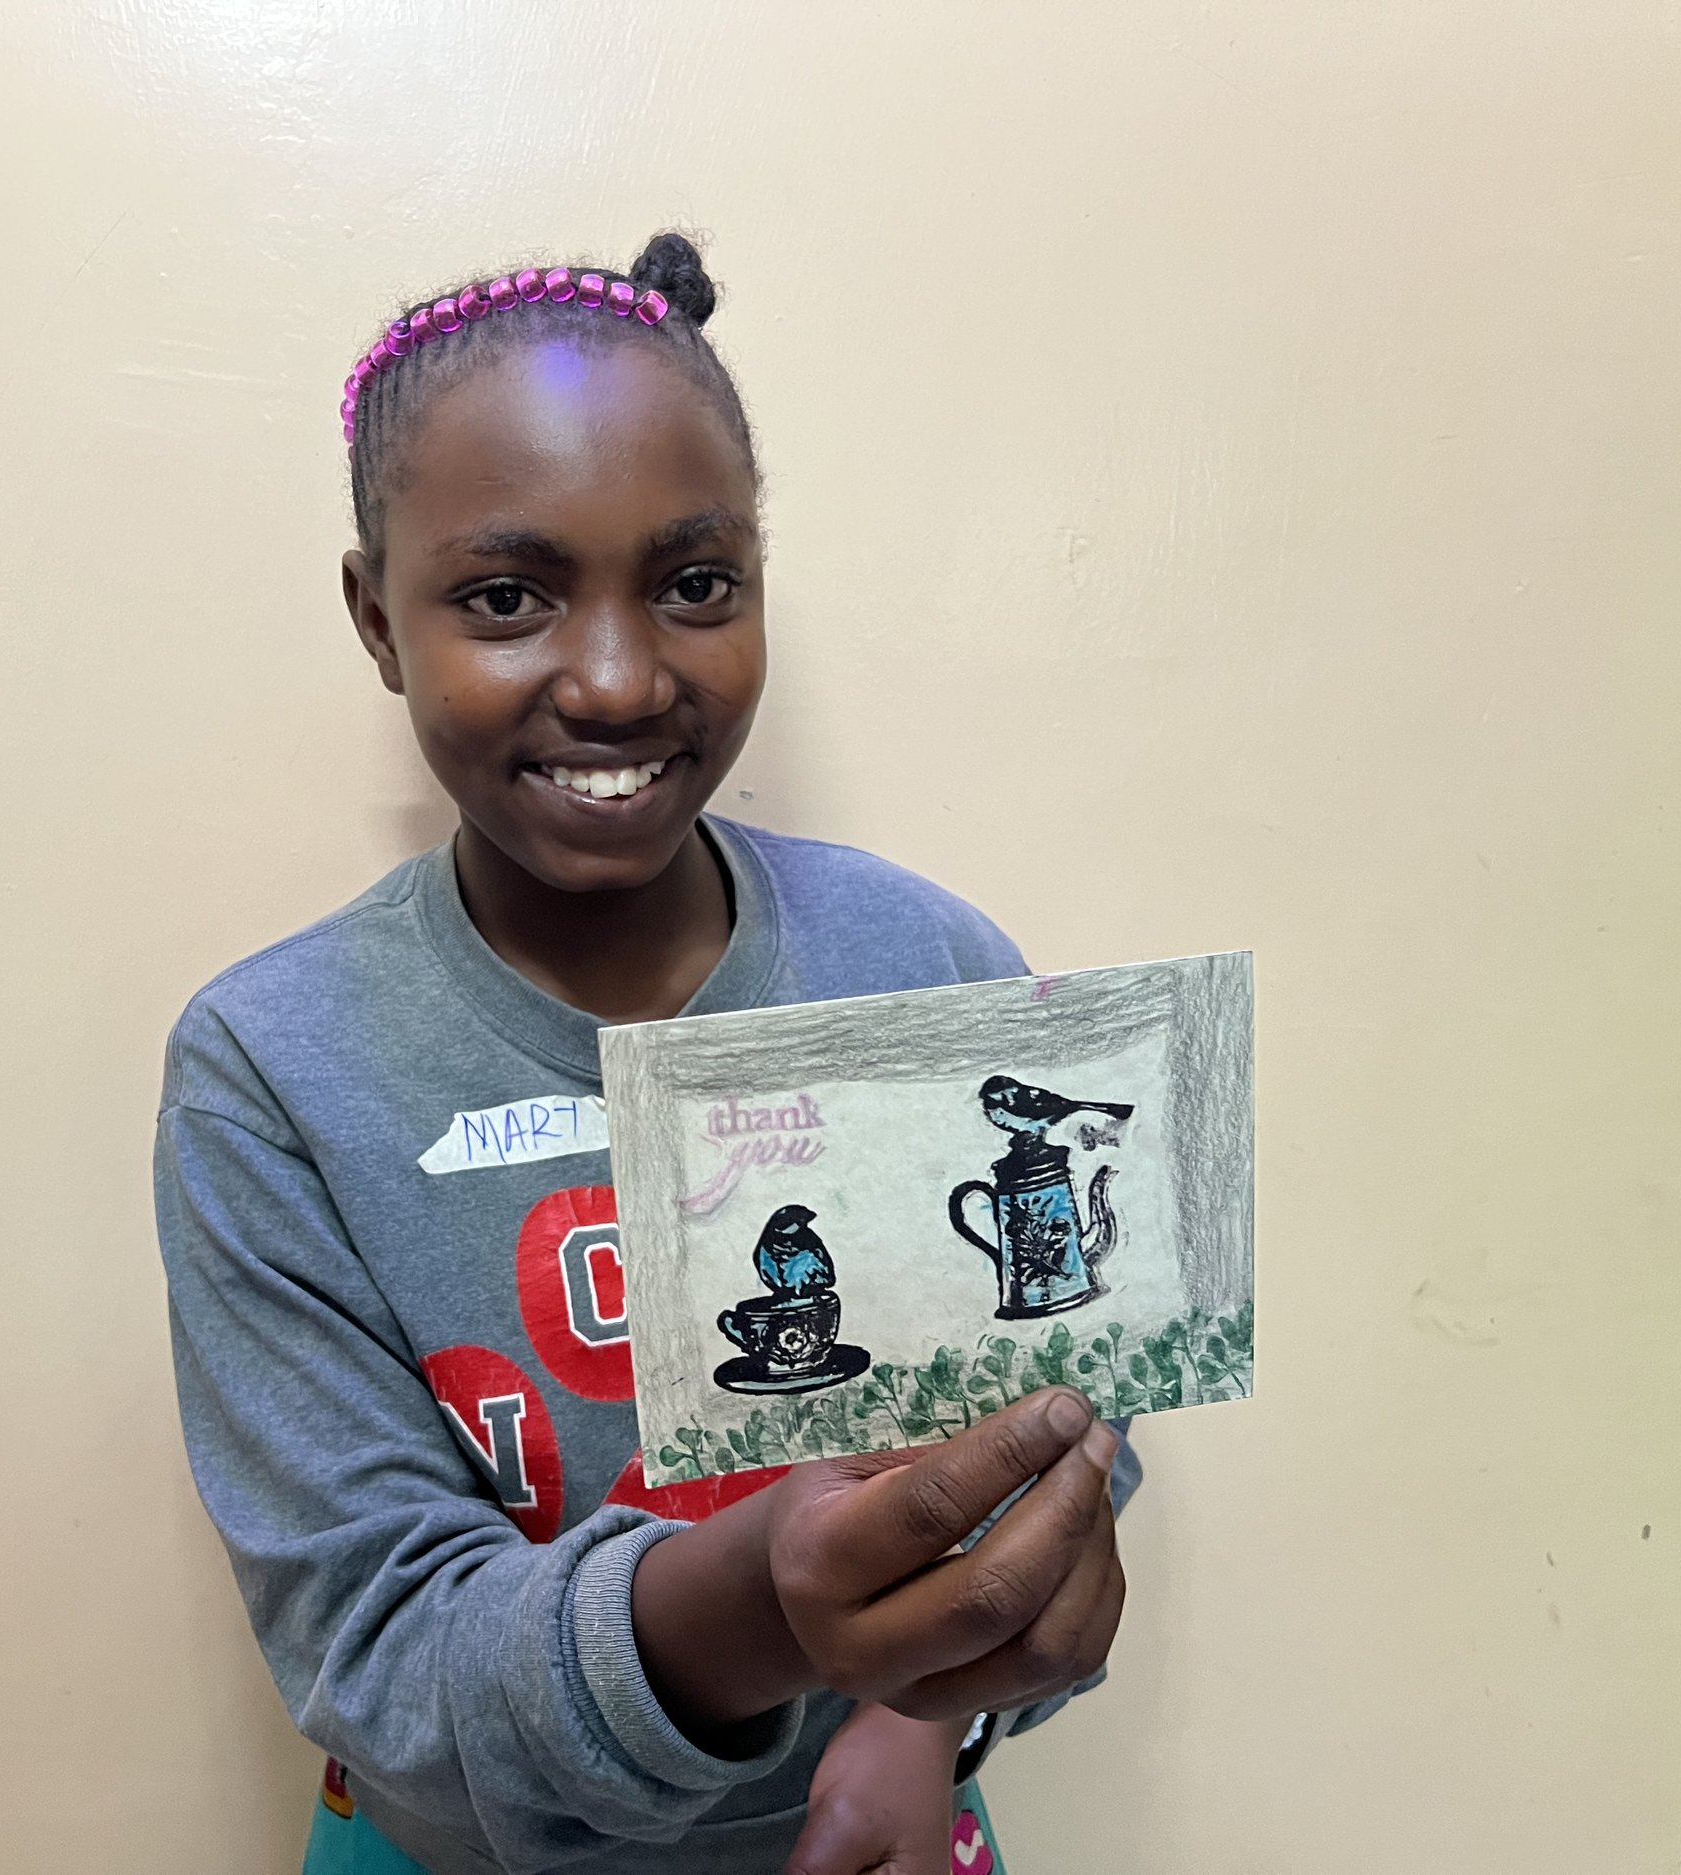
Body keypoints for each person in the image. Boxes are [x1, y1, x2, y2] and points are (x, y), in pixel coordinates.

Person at [154, 233, 1136, 1875]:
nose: (616, 679)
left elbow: (1070, 1414)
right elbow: (370, 1647)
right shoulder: (273, 1069)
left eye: (695, 584)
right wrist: (750, 1611)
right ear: (376, 620)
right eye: (504, 597)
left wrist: (919, 1720)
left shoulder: (930, 971)